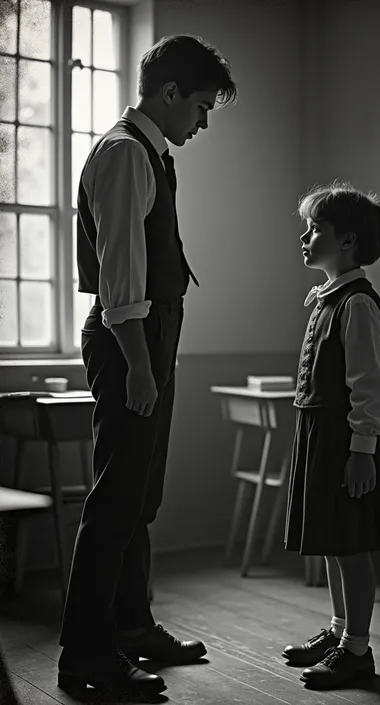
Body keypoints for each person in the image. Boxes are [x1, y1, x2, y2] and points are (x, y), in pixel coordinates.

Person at [57, 35, 237, 700]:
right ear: (169, 95)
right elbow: (121, 281)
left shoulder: (151, 153)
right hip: (129, 342)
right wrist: (138, 365)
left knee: (140, 499)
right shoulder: (126, 156)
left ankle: (133, 626)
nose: (203, 121)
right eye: (200, 107)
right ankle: (85, 654)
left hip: (150, 342)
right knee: (114, 501)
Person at [282, 179, 380, 690]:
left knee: (350, 546)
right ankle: (338, 630)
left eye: (315, 230)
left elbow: (368, 387)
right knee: (333, 541)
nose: (305, 238)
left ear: (347, 240)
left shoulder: (356, 304)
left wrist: (361, 451)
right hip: (319, 436)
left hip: (343, 441)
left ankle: (358, 648)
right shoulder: (327, 298)